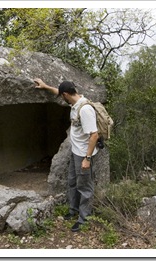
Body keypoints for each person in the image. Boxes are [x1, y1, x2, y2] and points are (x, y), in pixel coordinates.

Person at [33, 78, 99, 232]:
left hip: (84, 155)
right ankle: (73, 211)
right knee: (72, 182)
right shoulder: (74, 102)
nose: (61, 98)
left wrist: (87, 159)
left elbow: (94, 135)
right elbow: (59, 91)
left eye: (62, 96)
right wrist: (45, 86)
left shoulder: (85, 109)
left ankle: (84, 219)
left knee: (85, 187)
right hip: (75, 152)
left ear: (66, 95)